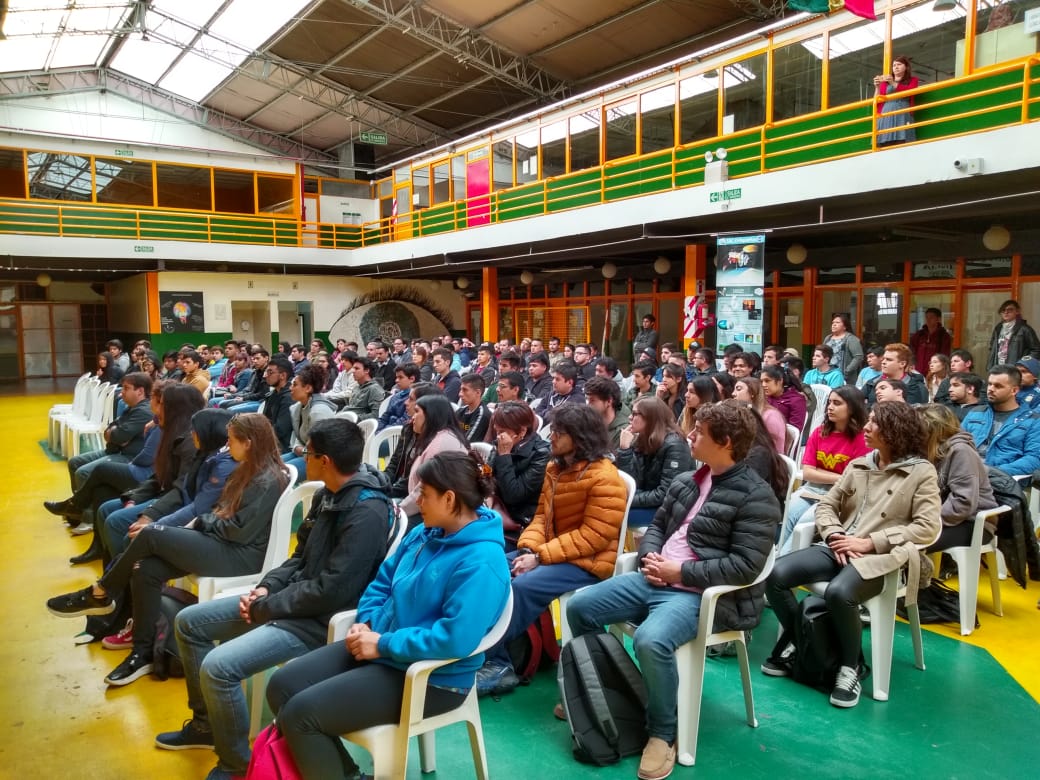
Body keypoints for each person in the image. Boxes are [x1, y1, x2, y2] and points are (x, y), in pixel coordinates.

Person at [155, 418, 395, 780]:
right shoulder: (328, 494)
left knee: (219, 668)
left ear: (325, 460)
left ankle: (234, 763)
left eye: (309, 453)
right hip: (288, 602)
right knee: (189, 623)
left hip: (316, 621)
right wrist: (267, 587)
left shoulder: (366, 511)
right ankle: (206, 725)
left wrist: (267, 606)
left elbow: (333, 590)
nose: (304, 458)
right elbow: (299, 557)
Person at [264, 451, 511, 780]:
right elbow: (381, 583)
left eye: (424, 493)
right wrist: (365, 622)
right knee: (281, 686)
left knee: (301, 715)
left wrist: (382, 643)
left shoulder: (483, 561)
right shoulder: (425, 533)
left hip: (434, 679)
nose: (416, 499)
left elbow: (455, 639)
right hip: (383, 648)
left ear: (449, 499)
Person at [567, 400, 779, 780]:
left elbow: (746, 566)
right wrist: (650, 557)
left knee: (651, 640)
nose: (690, 435)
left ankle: (662, 733)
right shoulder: (688, 481)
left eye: (699, 432)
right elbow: (658, 529)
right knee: (581, 607)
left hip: (701, 595)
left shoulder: (756, 496)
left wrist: (679, 570)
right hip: (655, 578)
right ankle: (614, 689)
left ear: (726, 442)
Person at [47, 413, 291, 687]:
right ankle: (143, 652)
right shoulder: (246, 468)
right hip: (223, 542)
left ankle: (102, 592)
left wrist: (203, 521)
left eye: (232, 441)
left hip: (240, 555)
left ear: (249, 442)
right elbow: (221, 512)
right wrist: (209, 520)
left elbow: (236, 529)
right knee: (145, 568)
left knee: (150, 535)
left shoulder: (268, 479)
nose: (227, 446)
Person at [763, 402, 941, 709]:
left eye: (875, 424)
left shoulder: (920, 473)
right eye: (869, 421)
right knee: (776, 575)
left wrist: (870, 542)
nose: (867, 428)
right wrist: (834, 534)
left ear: (895, 433)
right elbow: (826, 505)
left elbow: (927, 527)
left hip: (881, 557)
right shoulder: (860, 464)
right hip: (838, 546)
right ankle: (805, 641)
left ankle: (850, 667)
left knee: (840, 593)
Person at [475, 404, 628, 696]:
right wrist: (528, 549)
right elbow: (542, 518)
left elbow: (594, 536)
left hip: (588, 562)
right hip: (555, 553)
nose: (552, 436)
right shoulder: (555, 469)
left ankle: (497, 663)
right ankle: (480, 646)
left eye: (560, 432)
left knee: (521, 587)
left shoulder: (604, 477)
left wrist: (539, 558)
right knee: (490, 568)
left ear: (580, 437)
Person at [778, 386, 870, 553]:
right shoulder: (820, 432)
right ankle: (777, 558)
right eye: (829, 402)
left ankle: (781, 565)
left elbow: (856, 479)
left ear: (852, 407)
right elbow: (808, 473)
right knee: (789, 514)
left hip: (842, 495)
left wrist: (825, 476)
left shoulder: (862, 438)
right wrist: (842, 476)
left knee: (805, 521)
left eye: (837, 403)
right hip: (811, 489)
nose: (830, 407)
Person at [917, 404, 998, 554]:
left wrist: (924, 521)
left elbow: (962, 504)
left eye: (918, 429)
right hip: (938, 519)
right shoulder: (928, 450)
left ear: (933, 430)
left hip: (972, 523)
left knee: (906, 544)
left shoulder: (961, 451)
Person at [616, 397, 693, 526]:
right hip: (648, 498)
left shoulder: (675, 445)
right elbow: (633, 481)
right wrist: (625, 450)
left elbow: (666, 493)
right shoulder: (642, 438)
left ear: (650, 417)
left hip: (668, 509)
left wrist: (627, 499)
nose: (629, 417)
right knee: (604, 507)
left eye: (635, 414)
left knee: (611, 515)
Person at [397, 394, 471, 525]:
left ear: (431, 415)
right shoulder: (436, 438)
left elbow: (424, 490)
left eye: (417, 411)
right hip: (423, 505)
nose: (413, 417)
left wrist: (398, 511)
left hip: (434, 512)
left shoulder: (443, 443)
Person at [489, 401, 552, 551]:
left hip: (519, 521)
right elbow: (487, 475)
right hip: (494, 511)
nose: (498, 436)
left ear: (522, 432)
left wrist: (504, 455)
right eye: (496, 431)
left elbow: (514, 495)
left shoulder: (541, 454)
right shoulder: (501, 442)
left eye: (502, 431)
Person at [962, 365, 1040, 475]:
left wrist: (992, 472)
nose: (991, 389)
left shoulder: (1033, 421)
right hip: (965, 474)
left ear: (1014, 390)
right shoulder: (976, 413)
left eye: (998, 386)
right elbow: (957, 442)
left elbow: (1033, 459)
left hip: (1002, 480)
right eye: (990, 384)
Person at [283, 363, 337, 476]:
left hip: (320, 460)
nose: (290, 388)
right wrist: (297, 447)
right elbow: (299, 436)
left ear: (308, 388)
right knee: (270, 466)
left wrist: (301, 450)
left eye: (294, 384)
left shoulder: (319, 412)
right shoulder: (298, 407)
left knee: (280, 474)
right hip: (304, 453)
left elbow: (322, 451)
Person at [874, 55, 920, 146]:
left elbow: (910, 92)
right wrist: (877, 86)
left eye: (899, 64)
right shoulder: (885, 82)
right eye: (894, 65)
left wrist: (893, 83)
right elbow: (877, 100)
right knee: (884, 143)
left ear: (906, 67)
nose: (896, 67)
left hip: (903, 114)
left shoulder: (913, 80)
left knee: (903, 141)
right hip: (886, 115)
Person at [734, 376, 787, 453]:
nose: (733, 393)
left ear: (752, 392)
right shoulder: (743, 413)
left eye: (738, 389)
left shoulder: (771, 416)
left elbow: (773, 450)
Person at [987, 299, 1040, 370]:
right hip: (998, 367)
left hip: (1015, 369)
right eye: (1003, 310)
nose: (1006, 312)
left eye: (1010, 310)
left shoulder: (1024, 329)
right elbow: (992, 347)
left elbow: (1036, 350)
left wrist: (1023, 363)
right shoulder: (998, 328)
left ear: (1017, 311)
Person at [584, 375, 630, 453]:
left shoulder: (623, 432)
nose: (588, 404)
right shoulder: (587, 422)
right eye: (587, 399)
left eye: (592, 400)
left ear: (609, 401)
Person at [762, 364, 807, 432]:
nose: (763, 385)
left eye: (767, 381)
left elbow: (794, 431)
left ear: (780, 380)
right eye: (761, 381)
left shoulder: (796, 400)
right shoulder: (765, 398)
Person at [339, 356, 384, 421]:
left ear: (367, 370)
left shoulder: (374, 389)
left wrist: (353, 418)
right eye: (353, 368)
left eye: (356, 368)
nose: (353, 371)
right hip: (344, 418)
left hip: (354, 424)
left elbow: (376, 415)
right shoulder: (356, 387)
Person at [823, 313, 864, 385]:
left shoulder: (851, 339)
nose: (834, 324)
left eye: (837, 322)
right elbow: (822, 353)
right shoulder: (828, 338)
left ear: (845, 326)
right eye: (833, 323)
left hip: (843, 377)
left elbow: (858, 357)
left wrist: (847, 371)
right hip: (827, 374)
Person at [910, 308, 952, 374]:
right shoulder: (919, 335)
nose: (928, 320)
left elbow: (944, 356)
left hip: (934, 372)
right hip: (917, 371)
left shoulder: (944, 336)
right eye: (926, 317)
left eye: (931, 317)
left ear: (938, 319)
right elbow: (912, 352)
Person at [456, 373, 491, 442]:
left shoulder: (482, 415)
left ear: (478, 392)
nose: (460, 394)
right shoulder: (461, 410)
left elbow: (467, 443)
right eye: (460, 389)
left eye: (465, 390)